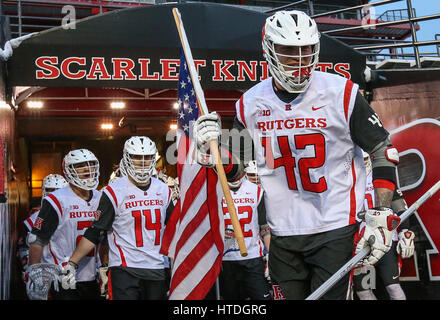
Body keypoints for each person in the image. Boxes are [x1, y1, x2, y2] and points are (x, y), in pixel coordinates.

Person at [193, 10, 400, 299]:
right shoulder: (250, 103)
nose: (300, 61)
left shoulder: (342, 92)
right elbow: (236, 170)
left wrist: (381, 213)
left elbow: (382, 149)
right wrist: (210, 149)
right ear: (269, 50)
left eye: (306, 50)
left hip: (336, 226)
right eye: (289, 51)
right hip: (283, 231)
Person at [63, 136, 174, 300]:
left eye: (147, 158)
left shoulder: (163, 190)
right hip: (125, 268)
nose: (142, 163)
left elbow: (175, 228)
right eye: (137, 157)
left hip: (156, 267)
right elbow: (95, 232)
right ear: (127, 158)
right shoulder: (114, 191)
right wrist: (72, 263)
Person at [27, 149, 102, 300]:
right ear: (69, 171)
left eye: (91, 164)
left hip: (91, 273)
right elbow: (37, 240)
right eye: (80, 165)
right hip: (63, 274)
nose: (87, 169)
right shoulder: (56, 200)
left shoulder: (101, 198)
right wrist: (34, 274)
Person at [353, 153, 415, 300]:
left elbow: (400, 206)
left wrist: (405, 231)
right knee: (363, 290)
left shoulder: (380, 176)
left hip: (386, 239)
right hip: (361, 243)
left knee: (393, 286)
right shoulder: (348, 180)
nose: (364, 162)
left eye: (366, 159)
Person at [219, 173, 271, 300]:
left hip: (252, 257)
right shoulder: (216, 190)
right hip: (226, 259)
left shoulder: (256, 190)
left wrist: (271, 255)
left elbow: (264, 227)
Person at [17, 174, 68, 297]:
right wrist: (30, 270)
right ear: (44, 191)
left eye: (58, 190)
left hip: (70, 270)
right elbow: (24, 249)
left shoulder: (72, 214)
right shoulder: (33, 219)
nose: (54, 194)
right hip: (44, 270)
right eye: (50, 190)